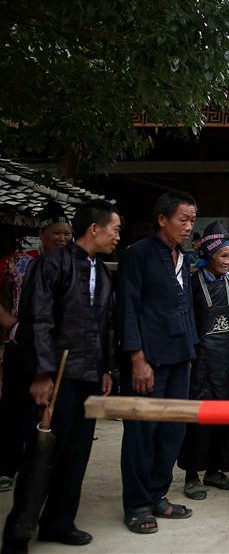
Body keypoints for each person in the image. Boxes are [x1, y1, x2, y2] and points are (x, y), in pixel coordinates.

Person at [1, 202, 119, 554]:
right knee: (43, 453)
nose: (117, 235)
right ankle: (18, 532)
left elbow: (104, 325)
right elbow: (38, 320)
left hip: (87, 375)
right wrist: (41, 374)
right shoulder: (51, 264)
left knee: (77, 453)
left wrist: (105, 369)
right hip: (57, 374)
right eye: (113, 228)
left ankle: (59, 522)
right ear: (94, 229)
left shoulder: (101, 270)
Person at [118, 191, 199, 534]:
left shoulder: (185, 258)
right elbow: (127, 309)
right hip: (148, 361)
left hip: (180, 358)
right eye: (183, 219)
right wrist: (137, 359)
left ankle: (157, 495)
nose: (188, 226)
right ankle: (137, 504)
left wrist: (191, 353)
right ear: (162, 219)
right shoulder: (138, 255)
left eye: (192, 220)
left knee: (171, 432)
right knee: (141, 433)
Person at [0, 201, 72, 493]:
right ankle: (6, 466)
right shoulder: (17, 262)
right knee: (13, 407)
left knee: (47, 410)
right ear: (42, 234)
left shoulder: (74, 263)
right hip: (21, 343)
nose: (63, 238)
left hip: (56, 348)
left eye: (67, 233)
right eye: (56, 232)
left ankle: (40, 468)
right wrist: (11, 323)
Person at [177, 221, 229, 501]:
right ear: (210, 255)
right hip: (201, 359)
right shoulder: (192, 283)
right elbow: (188, 321)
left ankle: (215, 470)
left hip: (225, 360)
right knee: (198, 419)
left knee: (223, 416)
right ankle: (192, 475)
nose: (228, 262)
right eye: (223, 256)